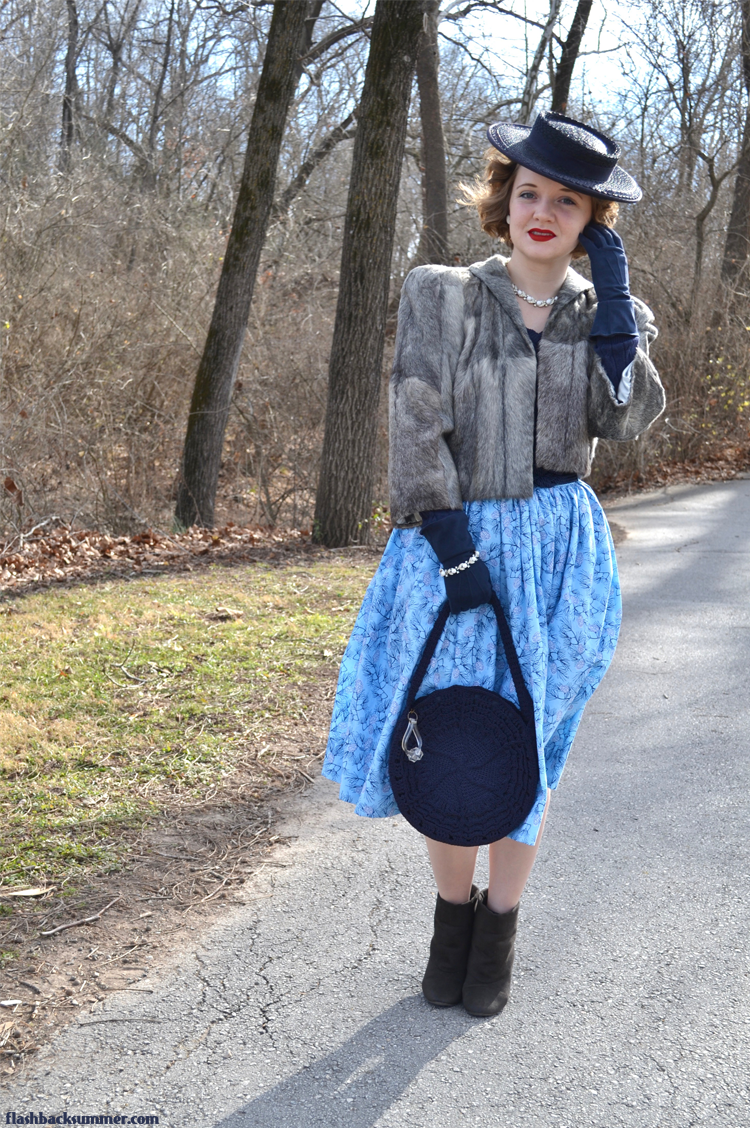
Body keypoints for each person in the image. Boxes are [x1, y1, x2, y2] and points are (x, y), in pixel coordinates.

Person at [322, 111, 665, 1018]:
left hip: (561, 554)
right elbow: (415, 418)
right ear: (501, 201)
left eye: (567, 201)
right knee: (452, 734)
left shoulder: (604, 314)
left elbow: (624, 423)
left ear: (593, 220)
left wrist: (620, 312)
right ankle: (451, 918)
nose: (543, 212)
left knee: (529, 747)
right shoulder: (442, 293)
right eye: (529, 194)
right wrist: (448, 545)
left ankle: (500, 931)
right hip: (455, 544)